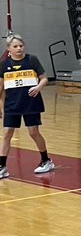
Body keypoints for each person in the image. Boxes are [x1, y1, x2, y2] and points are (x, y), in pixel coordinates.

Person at [0, 34, 54, 178]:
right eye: (15, 46)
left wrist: (38, 87)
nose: (19, 49)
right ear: (9, 49)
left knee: (33, 132)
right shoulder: (4, 64)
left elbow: (44, 78)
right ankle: (2, 166)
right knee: (7, 134)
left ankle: (46, 160)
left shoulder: (32, 60)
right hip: (12, 104)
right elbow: (1, 88)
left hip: (31, 102)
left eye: (21, 46)